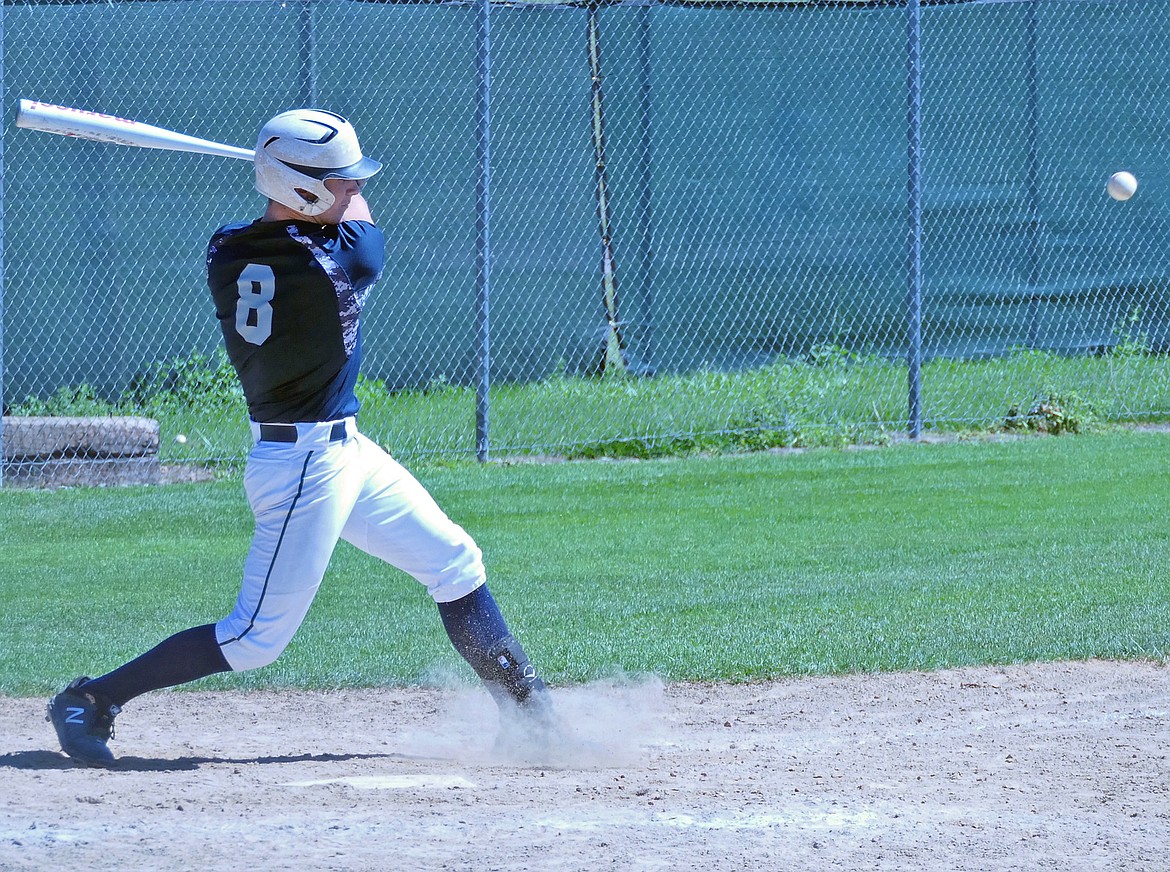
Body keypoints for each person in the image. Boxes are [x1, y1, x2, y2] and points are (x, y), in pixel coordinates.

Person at [47, 108, 555, 768]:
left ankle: (531, 711)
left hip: (346, 453)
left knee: (454, 562)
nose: (352, 189)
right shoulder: (339, 263)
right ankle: (91, 700)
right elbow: (362, 228)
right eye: (340, 181)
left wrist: (291, 173)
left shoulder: (225, 249)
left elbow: (302, 216)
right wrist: (299, 174)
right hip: (302, 468)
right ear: (307, 191)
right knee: (255, 638)